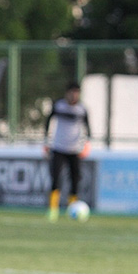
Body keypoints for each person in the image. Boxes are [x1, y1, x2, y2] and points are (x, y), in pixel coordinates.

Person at [44, 81, 91, 222]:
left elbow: (88, 128)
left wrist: (86, 144)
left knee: (75, 179)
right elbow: (48, 122)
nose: (74, 95)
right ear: (67, 93)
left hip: (74, 149)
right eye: (72, 92)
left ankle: (72, 207)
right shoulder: (59, 105)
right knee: (56, 178)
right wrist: (46, 141)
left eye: (76, 92)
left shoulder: (82, 109)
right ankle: (53, 209)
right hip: (58, 147)